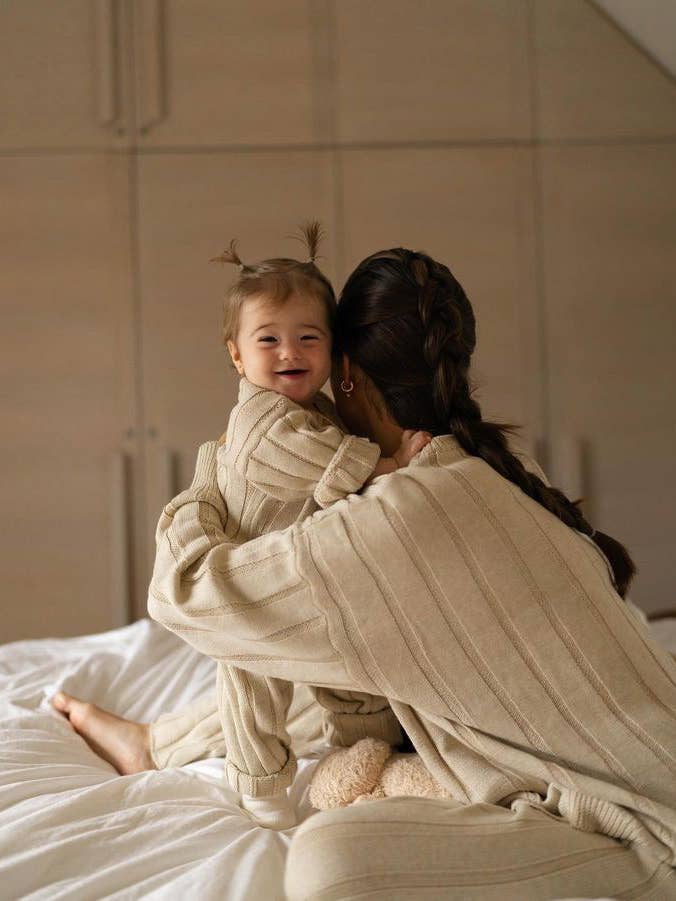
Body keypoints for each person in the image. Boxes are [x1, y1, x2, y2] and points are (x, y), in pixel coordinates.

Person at [56, 247, 676, 898]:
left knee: (331, 861)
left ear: (345, 376)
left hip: (644, 824)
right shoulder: (491, 462)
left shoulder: (390, 519)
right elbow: (318, 660)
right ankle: (152, 743)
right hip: (648, 751)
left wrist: (213, 476)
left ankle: (155, 744)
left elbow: (181, 592)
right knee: (342, 672)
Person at [55, 225, 429, 831]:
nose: (290, 353)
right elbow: (334, 466)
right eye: (269, 340)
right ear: (236, 354)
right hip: (244, 585)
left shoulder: (310, 410)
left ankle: (144, 745)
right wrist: (396, 462)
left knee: (290, 687)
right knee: (256, 693)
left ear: (333, 350)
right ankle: (261, 794)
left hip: (277, 576)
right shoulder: (268, 425)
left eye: (309, 338)